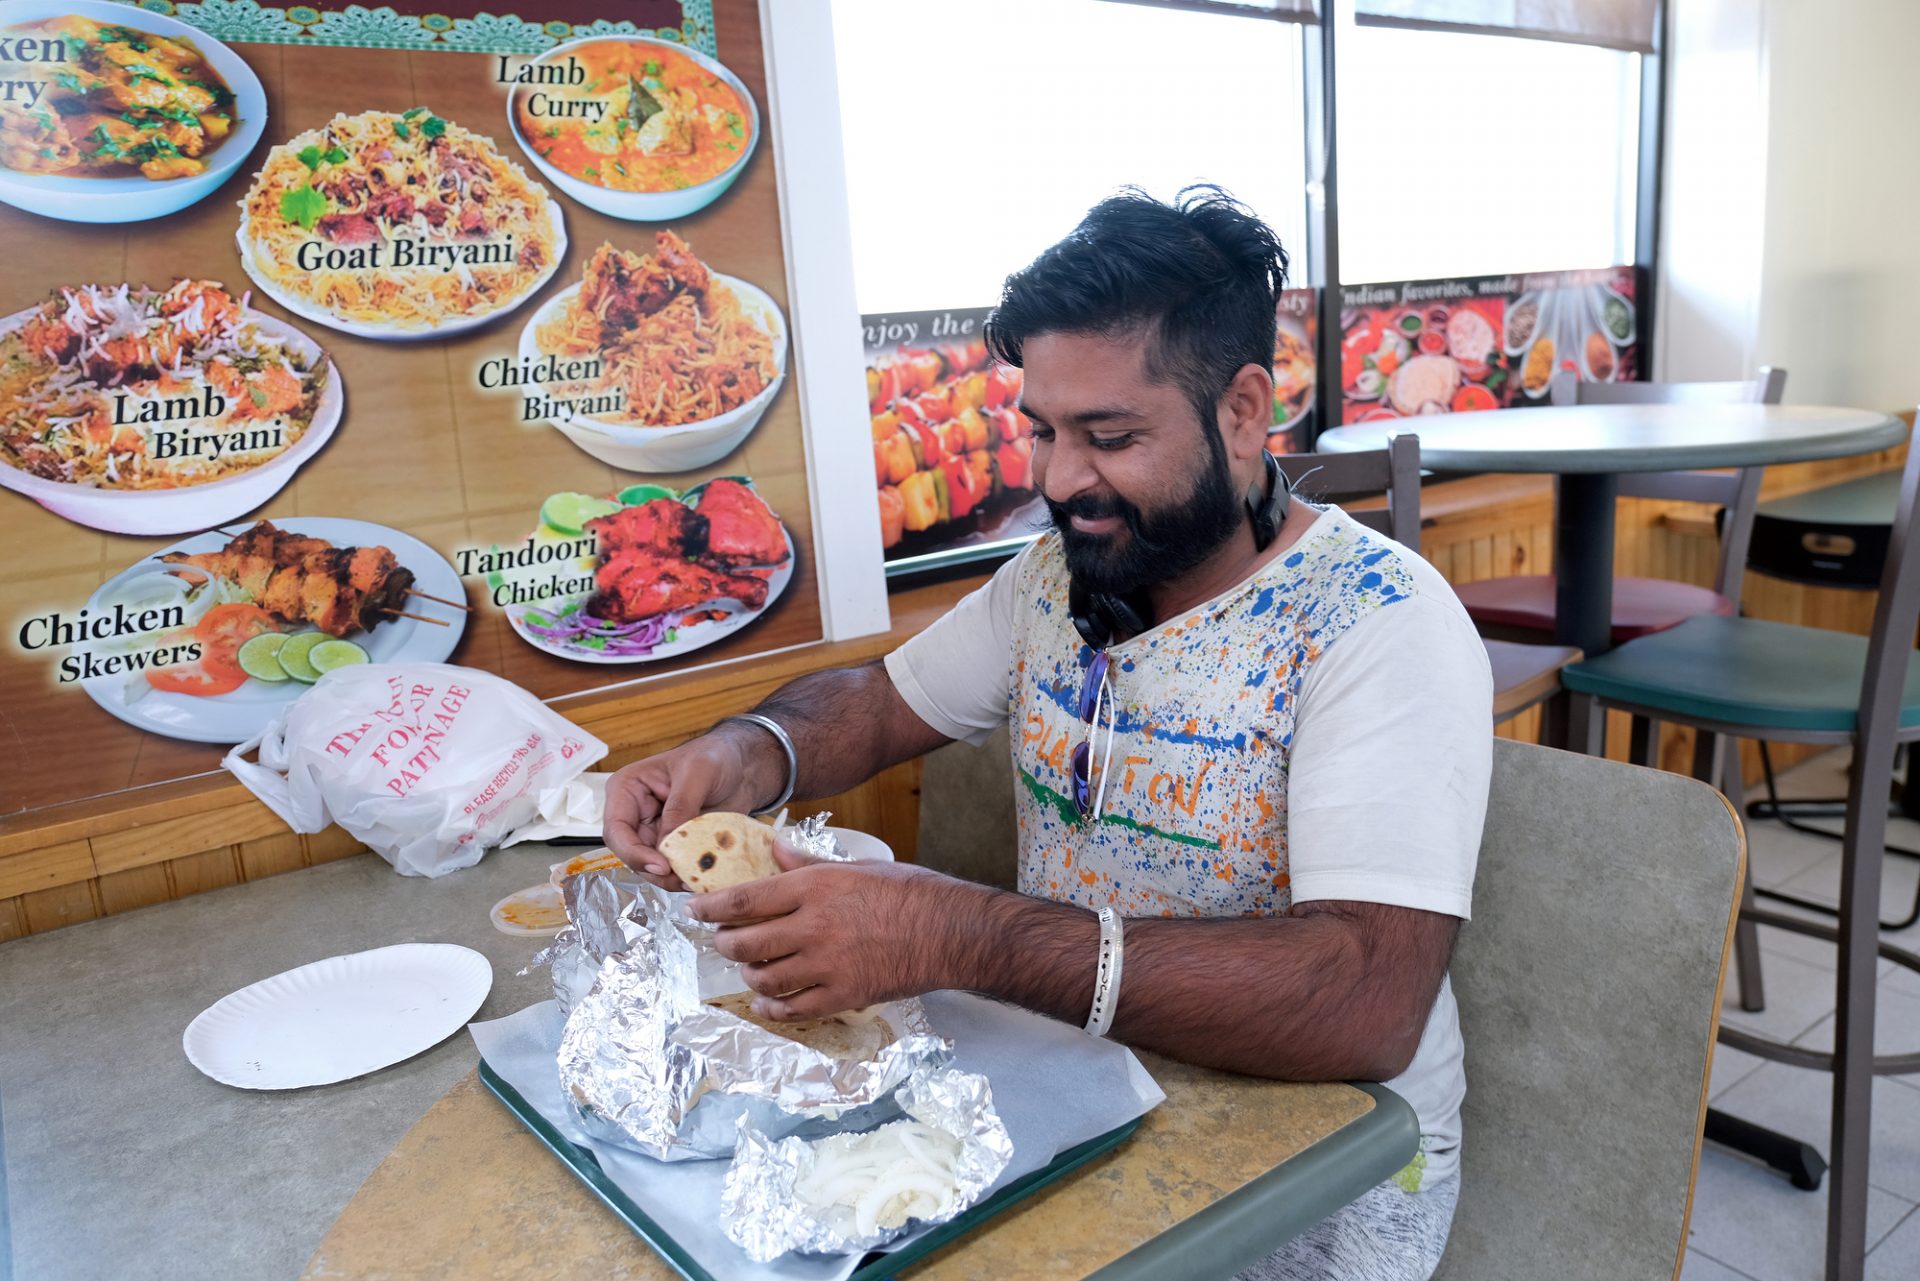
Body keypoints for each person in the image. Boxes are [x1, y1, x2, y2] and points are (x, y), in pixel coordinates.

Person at [604, 186, 1493, 1281]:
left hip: (1323, 1176)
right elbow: (881, 702)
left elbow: (1366, 1001)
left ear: (1245, 410)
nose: (1059, 480)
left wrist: (961, 936)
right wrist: (744, 751)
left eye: (1110, 436)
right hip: (1085, 1098)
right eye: (1043, 432)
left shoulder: (1373, 621)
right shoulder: (1057, 578)